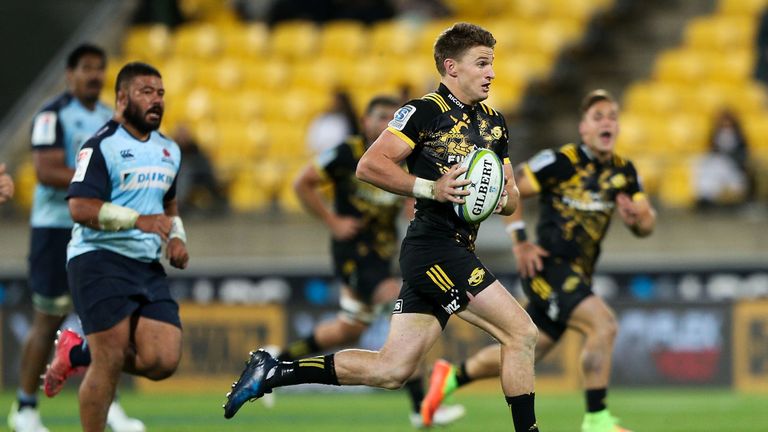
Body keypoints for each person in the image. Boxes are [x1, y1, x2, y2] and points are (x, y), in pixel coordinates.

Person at [223, 22, 540, 432]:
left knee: (393, 370)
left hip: (455, 249)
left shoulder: (495, 122)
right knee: (521, 332)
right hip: (434, 250)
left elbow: (512, 194)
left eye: (492, 64)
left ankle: (274, 372)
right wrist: (432, 187)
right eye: (481, 64)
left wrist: (500, 198)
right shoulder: (425, 110)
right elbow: (369, 165)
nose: (491, 73)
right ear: (452, 67)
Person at [421, 89, 657, 432]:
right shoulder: (561, 162)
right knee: (603, 324)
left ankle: (450, 378)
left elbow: (647, 227)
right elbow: (506, 188)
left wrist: (638, 218)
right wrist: (520, 242)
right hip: (548, 268)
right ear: (584, 128)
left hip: (579, 275)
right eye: (598, 117)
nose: (607, 122)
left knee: (528, 347)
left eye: (612, 117)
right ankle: (597, 419)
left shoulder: (625, 171)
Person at [276, 95, 464, 427]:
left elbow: (411, 201)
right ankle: (421, 406)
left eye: (392, 118)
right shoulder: (347, 153)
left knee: (349, 329)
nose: (385, 123)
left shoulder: (403, 156)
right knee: (406, 303)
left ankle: (277, 361)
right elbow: (302, 183)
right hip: (353, 253)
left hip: (382, 253)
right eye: (379, 117)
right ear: (364, 121)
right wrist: (332, 221)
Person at [41, 61, 189, 432]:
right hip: (98, 259)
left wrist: (176, 238)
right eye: (146, 92)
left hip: (145, 263)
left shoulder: (169, 150)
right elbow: (79, 206)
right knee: (109, 358)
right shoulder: (101, 145)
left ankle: (75, 351)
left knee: (163, 359)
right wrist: (138, 221)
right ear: (122, 98)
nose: (156, 100)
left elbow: (168, 207)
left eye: (160, 94)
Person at [8, 44, 144, 432]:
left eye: (100, 69)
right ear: (70, 74)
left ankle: (111, 406)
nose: (94, 76)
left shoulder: (108, 118)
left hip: (94, 230)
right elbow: (46, 169)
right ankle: (25, 408)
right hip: (54, 228)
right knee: (47, 317)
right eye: (86, 69)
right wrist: (99, 180)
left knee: (108, 320)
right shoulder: (52, 115)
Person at [694, 108, 752, 209]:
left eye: (728, 122)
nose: (726, 125)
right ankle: (706, 200)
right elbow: (711, 151)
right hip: (718, 166)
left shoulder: (739, 137)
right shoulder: (715, 135)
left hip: (734, 166)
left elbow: (743, 152)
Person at [172, 123, 228, 215]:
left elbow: (203, 163)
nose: (183, 138)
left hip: (198, 176)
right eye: (181, 135)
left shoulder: (195, 148)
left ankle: (218, 202)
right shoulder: (172, 149)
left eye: (185, 135)